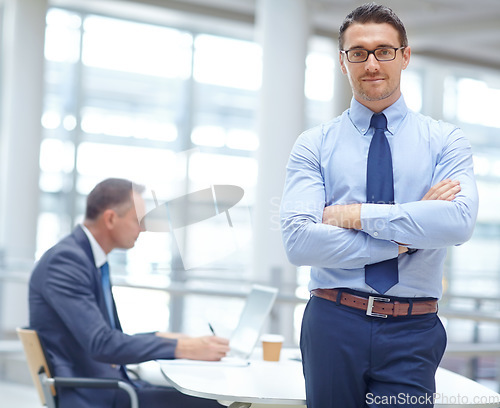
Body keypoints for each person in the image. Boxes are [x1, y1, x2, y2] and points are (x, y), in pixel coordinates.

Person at [280, 3, 478, 408]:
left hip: (413, 327)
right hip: (333, 321)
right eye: (358, 53)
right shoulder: (314, 144)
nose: (371, 63)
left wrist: (357, 215)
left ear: (405, 56)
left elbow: (457, 223)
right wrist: (407, 235)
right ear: (343, 61)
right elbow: (299, 242)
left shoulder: (445, 141)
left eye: (384, 50)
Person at [29, 178, 230, 408]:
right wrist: (183, 348)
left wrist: (162, 337)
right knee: (216, 404)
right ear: (111, 218)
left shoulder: (91, 259)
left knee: (203, 398)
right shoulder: (66, 262)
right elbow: (102, 343)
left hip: (111, 386)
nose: (143, 229)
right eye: (138, 220)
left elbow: (107, 335)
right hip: (95, 395)